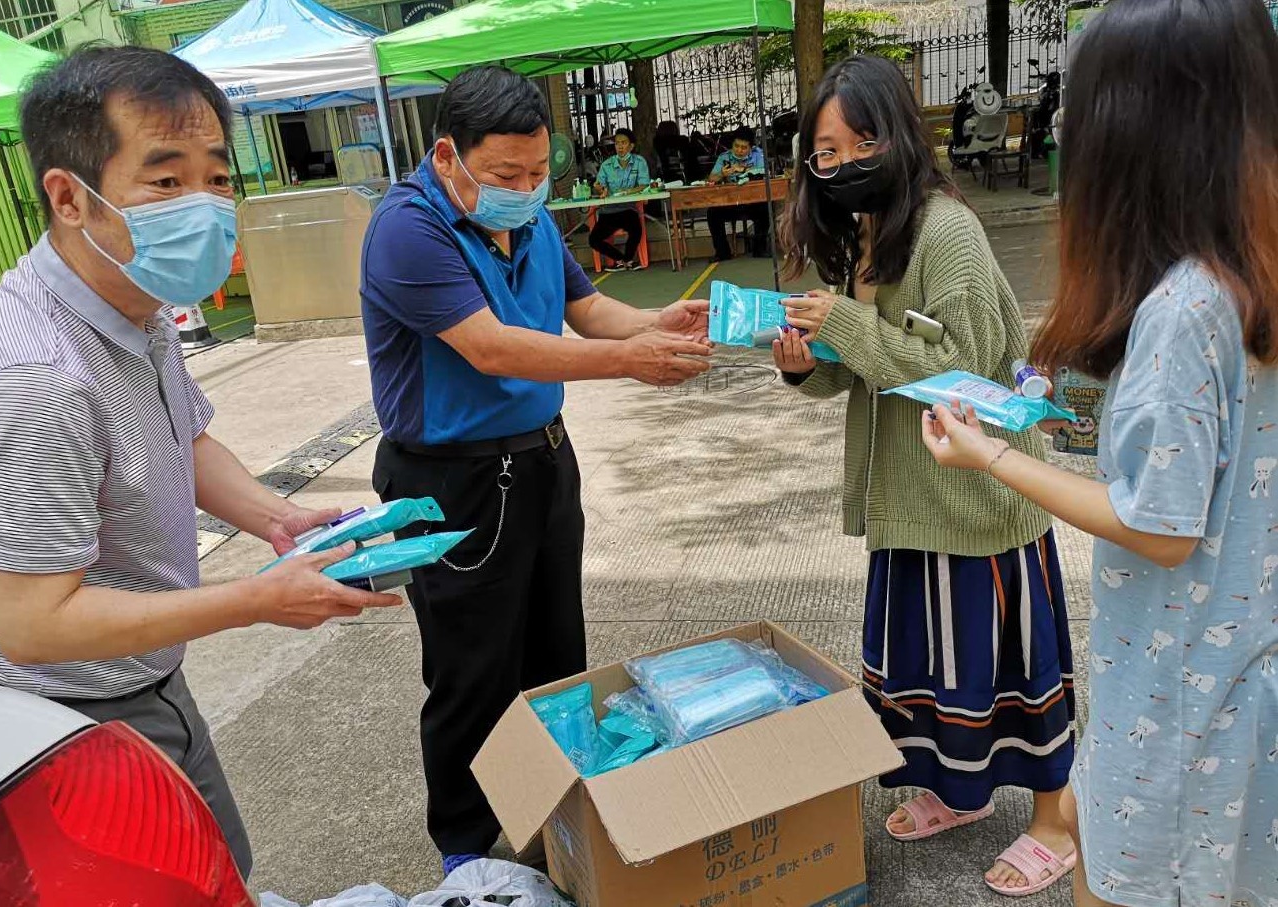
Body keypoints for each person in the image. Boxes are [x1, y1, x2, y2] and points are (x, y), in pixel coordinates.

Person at [0, 47, 402, 879]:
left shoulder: (128, 298)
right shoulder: (33, 379)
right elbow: (31, 622)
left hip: (143, 676)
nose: (207, 207)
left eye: (218, 178)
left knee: (221, 867)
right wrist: (253, 600)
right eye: (165, 181)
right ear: (69, 196)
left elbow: (182, 439)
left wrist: (276, 517)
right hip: (57, 710)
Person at [921, 2, 1278, 905]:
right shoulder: (1245, 270)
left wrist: (990, 457)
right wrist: (1069, 406)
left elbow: (1157, 523)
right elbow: (1214, 447)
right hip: (1244, 672)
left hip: (1178, 687)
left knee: (1117, 881)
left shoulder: (1184, 308)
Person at [358, 65, 713, 876]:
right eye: (505, 175)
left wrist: (655, 322)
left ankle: (552, 812)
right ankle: (463, 846)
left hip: (544, 463)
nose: (525, 188)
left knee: (556, 652)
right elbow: (490, 346)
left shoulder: (530, 217)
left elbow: (586, 309)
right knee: (472, 669)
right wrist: (626, 361)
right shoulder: (408, 229)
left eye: (536, 172)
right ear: (446, 156)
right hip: (451, 482)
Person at [775, 56, 1077, 896]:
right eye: (824, 154)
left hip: (978, 505)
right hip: (906, 498)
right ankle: (959, 793)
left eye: (861, 141)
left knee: (1012, 668)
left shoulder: (945, 230)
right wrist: (807, 360)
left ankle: (1055, 822)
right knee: (926, 667)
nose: (842, 165)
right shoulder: (863, 234)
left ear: (901, 134)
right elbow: (869, 365)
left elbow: (970, 369)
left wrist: (841, 319)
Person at [589, 128, 650, 270]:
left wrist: (629, 192)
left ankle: (628, 258)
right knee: (593, 240)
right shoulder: (607, 165)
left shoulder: (639, 162)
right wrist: (599, 189)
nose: (620, 146)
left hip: (628, 208)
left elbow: (644, 184)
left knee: (636, 230)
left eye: (624, 143)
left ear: (631, 145)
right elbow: (599, 186)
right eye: (617, 143)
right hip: (608, 211)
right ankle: (620, 259)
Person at [706, 126, 769, 261]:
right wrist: (722, 174)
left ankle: (760, 249)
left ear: (750, 148)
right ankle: (722, 252)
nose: (739, 150)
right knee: (713, 213)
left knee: (766, 209)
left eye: (744, 147)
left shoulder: (758, 155)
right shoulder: (725, 157)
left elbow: (765, 173)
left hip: (753, 201)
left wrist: (745, 170)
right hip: (731, 203)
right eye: (736, 146)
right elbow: (711, 178)